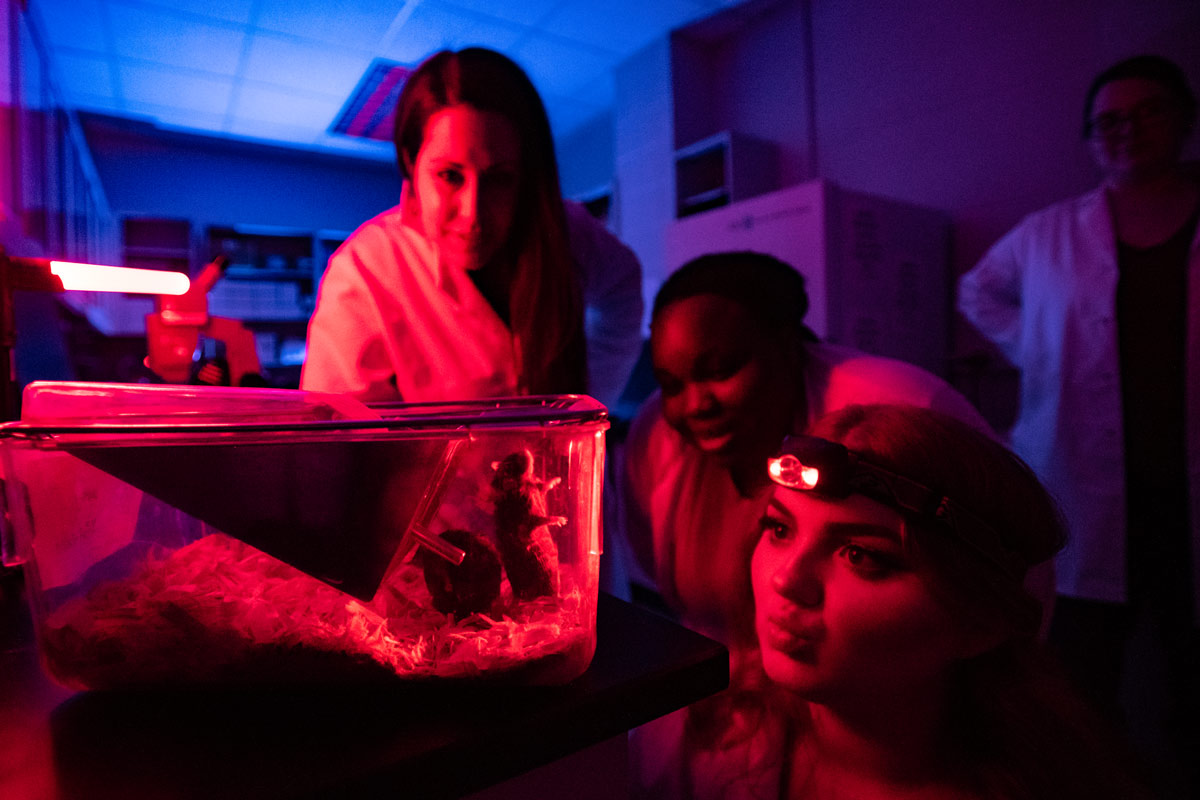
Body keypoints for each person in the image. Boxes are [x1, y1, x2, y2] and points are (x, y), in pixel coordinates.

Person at [633, 404, 1155, 800]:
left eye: (861, 555)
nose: (788, 579)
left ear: (981, 623)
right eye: (779, 528)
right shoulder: (704, 741)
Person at [957, 54, 1198, 787]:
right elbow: (978, 292)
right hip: (1088, 488)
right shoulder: (1049, 232)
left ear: (1184, 118)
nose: (1127, 130)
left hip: (1184, 492)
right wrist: (1035, 346)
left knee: (1191, 672)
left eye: (1148, 111)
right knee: (1083, 672)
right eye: (1108, 122)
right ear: (1092, 139)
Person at [617, 251, 998, 645]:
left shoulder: (899, 411)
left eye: (720, 371)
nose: (696, 404)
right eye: (671, 384)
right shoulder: (656, 433)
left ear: (784, 343)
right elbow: (647, 547)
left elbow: (1002, 579)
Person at [300, 48, 643, 407]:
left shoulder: (565, 231)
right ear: (410, 163)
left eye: (500, 179)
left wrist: (586, 407)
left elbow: (623, 285)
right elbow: (336, 434)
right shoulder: (364, 270)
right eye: (450, 176)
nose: (473, 215)